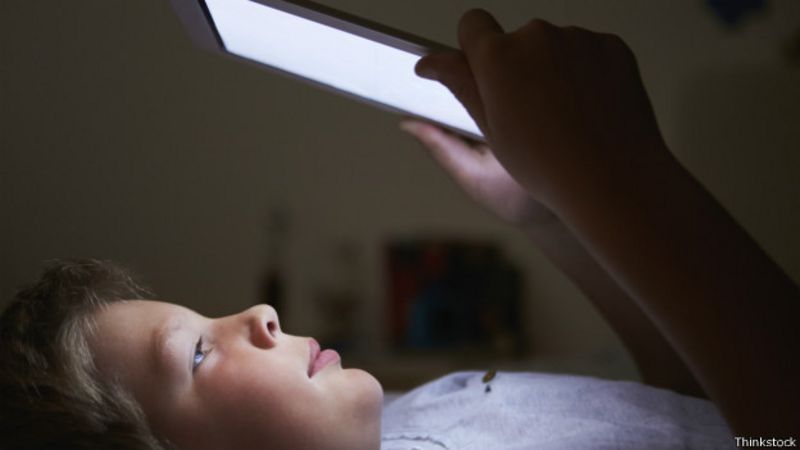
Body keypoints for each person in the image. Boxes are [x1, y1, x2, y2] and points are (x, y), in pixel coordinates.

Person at [1, 8, 798, 450]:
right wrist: (623, 178)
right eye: (198, 353)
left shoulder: (401, 419)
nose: (258, 314)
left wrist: (549, 219)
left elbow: (686, 404)